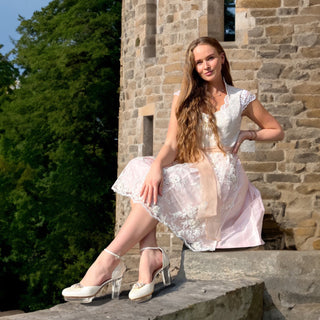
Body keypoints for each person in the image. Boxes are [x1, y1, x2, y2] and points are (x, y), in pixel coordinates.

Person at [62, 36, 284, 303]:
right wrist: (156, 166)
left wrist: (249, 134)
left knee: (163, 181)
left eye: (210, 58)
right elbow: (170, 144)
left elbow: (276, 130)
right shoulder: (184, 97)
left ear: (222, 58)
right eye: (199, 62)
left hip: (225, 176)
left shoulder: (241, 98)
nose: (206, 66)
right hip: (193, 166)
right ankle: (149, 257)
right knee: (141, 168)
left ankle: (107, 263)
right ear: (194, 67)